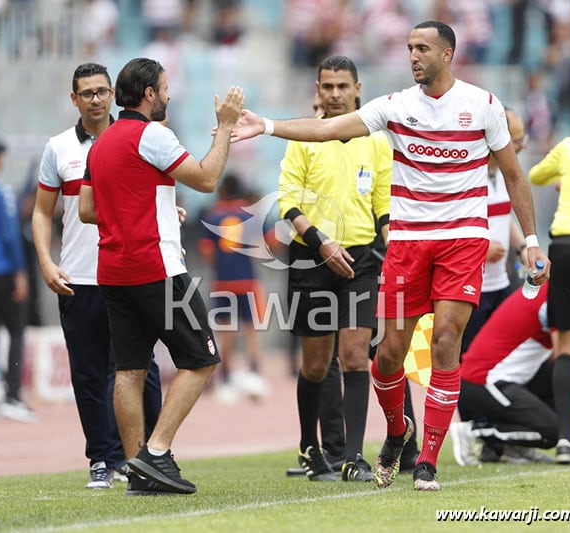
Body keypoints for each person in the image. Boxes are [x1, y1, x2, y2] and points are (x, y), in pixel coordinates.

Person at [229, 20, 550, 491]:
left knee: (445, 342)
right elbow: (328, 129)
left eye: (422, 48)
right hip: (407, 243)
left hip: (463, 240)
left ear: (447, 54)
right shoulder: (396, 106)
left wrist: (532, 240)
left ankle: (428, 462)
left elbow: (515, 176)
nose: (413, 55)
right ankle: (398, 430)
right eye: (409, 47)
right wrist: (269, 126)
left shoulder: (482, 105)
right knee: (388, 357)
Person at [78, 58, 244, 495]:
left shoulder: (101, 143)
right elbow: (207, 179)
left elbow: (87, 210)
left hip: (112, 270)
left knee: (129, 370)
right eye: (166, 88)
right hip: (155, 266)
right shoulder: (152, 134)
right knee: (202, 358)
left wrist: (150, 210)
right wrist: (226, 125)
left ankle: (138, 469)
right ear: (149, 93)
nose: (169, 95)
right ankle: (156, 451)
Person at [32, 63, 163, 490]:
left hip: (130, 273)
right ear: (74, 99)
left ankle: (149, 456)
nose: (95, 99)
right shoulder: (58, 148)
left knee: (142, 370)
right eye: (86, 93)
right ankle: (102, 459)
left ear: (113, 94)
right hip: (79, 278)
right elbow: (42, 212)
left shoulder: (137, 139)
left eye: (102, 91)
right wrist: (46, 262)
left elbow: (154, 196)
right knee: (89, 375)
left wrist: (169, 219)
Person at [277, 54, 392, 482]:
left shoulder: (376, 140)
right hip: (312, 257)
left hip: (361, 259)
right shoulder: (303, 138)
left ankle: (353, 457)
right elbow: (287, 200)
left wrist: (393, 245)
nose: (336, 94)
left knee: (355, 356)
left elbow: (383, 201)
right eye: (328, 86)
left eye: (343, 86)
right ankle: (311, 448)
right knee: (315, 365)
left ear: (358, 89)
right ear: (318, 90)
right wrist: (321, 243)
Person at [457, 108, 529, 431]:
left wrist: (522, 246)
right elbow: (452, 223)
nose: (521, 148)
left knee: (502, 358)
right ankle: (472, 427)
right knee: (466, 359)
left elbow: (504, 214)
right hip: (472, 286)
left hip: (500, 285)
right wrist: (481, 247)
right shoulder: (468, 174)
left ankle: (499, 426)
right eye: (517, 142)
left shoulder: (503, 174)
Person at [450, 283, 557, 467]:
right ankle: (472, 432)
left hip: (504, 380)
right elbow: (566, 356)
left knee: (557, 374)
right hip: (484, 380)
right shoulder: (557, 297)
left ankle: (516, 448)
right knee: (552, 433)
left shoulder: (553, 290)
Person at [529, 133, 570, 464]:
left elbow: (536, 175)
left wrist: (565, 178)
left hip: (568, 245)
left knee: (568, 349)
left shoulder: (569, 146)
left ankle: (565, 441)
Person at [198, 172, 269, 403]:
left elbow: (207, 251)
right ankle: (254, 373)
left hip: (223, 280)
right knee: (252, 328)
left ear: (223, 190)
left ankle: (226, 377)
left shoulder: (213, 214)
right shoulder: (250, 212)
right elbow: (267, 243)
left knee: (226, 329)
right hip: (247, 279)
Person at [0, 138, 34, 422]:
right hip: (1, 269)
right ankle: (13, 395)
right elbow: (10, 233)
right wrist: (20, 271)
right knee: (16, 328)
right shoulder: (1, 190)